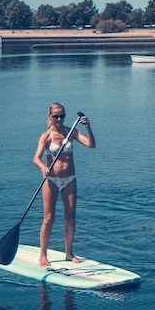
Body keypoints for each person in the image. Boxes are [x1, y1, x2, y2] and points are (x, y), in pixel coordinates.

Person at [33, 104, 95, 268]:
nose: (59, 119)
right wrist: (43, 167)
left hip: (69, 179)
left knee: (70, 217)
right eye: (56, 117)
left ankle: (69, 253)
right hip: (51, 180)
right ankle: (43, 256)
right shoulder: (46, 136)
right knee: (48, 218)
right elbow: (36, 158)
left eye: (62, 116)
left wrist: (88, 127)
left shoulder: (71, 132)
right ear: (50, 117)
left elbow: (91, 144)